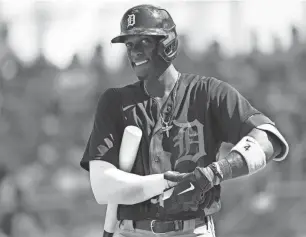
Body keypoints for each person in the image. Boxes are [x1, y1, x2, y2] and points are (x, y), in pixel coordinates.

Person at [80, 4, 289, 237]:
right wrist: (166, 182)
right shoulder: (115, 102)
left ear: (167, 43)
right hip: (132, 232)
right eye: (129, 44)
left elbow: (269, 138)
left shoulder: (208, 92)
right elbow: (102, 187)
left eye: (144, 42)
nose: (134, 52)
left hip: (193, 231)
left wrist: (216, 172)